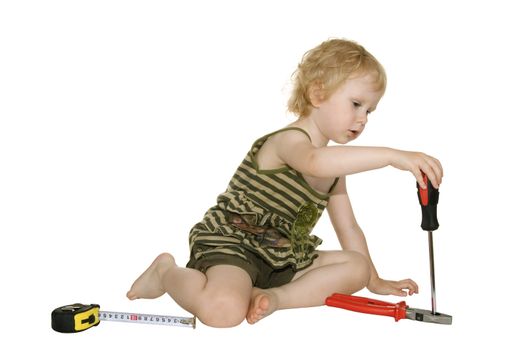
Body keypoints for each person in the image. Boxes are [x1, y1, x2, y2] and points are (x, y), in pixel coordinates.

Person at [126, 38, 443, 328]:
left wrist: (373, 280)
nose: (363, 119)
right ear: (318, 94)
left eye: (370, 111)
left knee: (356, 267)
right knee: (223, 312)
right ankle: (165, 272)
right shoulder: (289, 142)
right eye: (356, 104)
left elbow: (349, 229)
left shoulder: (335, 171)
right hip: (235, 242)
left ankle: (273, 298)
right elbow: (314, 162)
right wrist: (392, 156)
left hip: (281, 255)